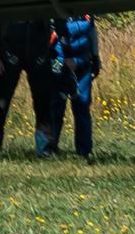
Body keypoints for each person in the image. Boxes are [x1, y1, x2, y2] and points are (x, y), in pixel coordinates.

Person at [0, 20, 56, 154]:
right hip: (9, 55)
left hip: (40, 55)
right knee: (1, 104)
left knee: (43, 104)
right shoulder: (3, 4)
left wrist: (67, 52)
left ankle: (46, 151)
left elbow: (59, 21)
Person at [37, 12, 99, 159]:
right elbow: (48, 40)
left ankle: (84, 151)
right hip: (59, 64)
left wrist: (96, 58)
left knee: (82, 108)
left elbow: (92, 34)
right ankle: (49, 150)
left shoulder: (87, 15)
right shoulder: (56, 14)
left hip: (83, 65)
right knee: (56, 107)